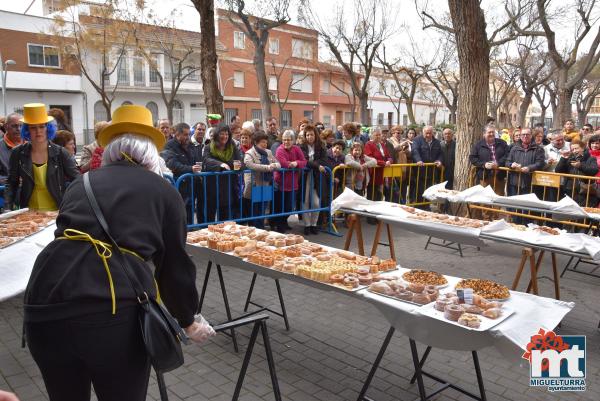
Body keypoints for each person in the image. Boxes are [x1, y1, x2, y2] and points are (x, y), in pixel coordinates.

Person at [23, 104, 212, 401]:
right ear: (151, 151)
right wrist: (188, 319)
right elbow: (173, 266)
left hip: (44, 305)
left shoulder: (81, 183)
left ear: (110, 148)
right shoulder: (163, 191)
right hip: (109, 314)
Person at [5, 104, 80, 211]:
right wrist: (7, 208)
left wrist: (73, 205)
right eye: (33, 128)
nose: (38, 131)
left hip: (58, 211)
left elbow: (78, 181)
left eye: (41, 126)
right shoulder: (17, 153)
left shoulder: (61, 153)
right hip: (28, 213)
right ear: (27, 130)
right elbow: (11, 183)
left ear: (48, 128)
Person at [161, 123, 203, 224]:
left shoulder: (190, 145)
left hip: (191, 184)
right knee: (178, 213)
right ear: (177, 134)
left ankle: (189, 232)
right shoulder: (169, 145)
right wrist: (190, 169)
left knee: (189, 212)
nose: (187, 137)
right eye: (185, 134)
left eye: (188, 134)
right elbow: (172, 164)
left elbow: (197, 160)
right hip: (178, 185)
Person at [203, 124, 243, 222]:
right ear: (217, 135)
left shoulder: (232, 147)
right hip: (213, 186)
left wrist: (238, 166)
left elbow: (240, 161)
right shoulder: (209, 147)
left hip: (228, 186)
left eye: (226, 134)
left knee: (225, 215)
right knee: (210, 214)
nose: (224, 136)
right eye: (222, 134)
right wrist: (220, 164)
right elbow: (206, 160)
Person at [505, 127, 546, 222]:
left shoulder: (538, 149)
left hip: (530, 183)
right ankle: (516, 226)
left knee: (528, 209)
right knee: (516, 208)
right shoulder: (514, 148)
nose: (525, 136)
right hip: (515, 183)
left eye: (527, 134)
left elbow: (540, 163)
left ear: (531, 136)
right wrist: (512, 165)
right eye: (523, 134)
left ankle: (527, 228)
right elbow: (507, 162)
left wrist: (529, 168)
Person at [243, 131, 280, 228]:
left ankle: (261, 230)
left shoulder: (268, 152)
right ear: (256, 142)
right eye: (262, 142)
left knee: (263, 211)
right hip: (254, 186)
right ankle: (255, 231)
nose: (265, 144)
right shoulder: (250, 153)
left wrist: (274, 165)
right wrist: (267, 167)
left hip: (266, 184)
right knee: (255, 212)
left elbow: (278, 164)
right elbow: (250, 165)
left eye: (266, 142)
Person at [274, 131, 307, 233]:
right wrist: (291, 164)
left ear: (293, 140)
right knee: (281, 206)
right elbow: (282, 163)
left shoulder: (296, 148)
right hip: (281, 183)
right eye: (284, 140)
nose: (286, 142)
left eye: (288, 140)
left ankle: (284, 222)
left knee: (289, 207)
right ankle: (280, 225)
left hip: (293, 183)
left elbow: (304, 161)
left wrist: (296, 163)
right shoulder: (279, 150)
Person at [300, 124, 328, 235]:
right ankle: (307, 225)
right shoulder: (301, 147)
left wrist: (313, 165)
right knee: (305, 201)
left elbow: (324, 160)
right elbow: (304, 160)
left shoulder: (321, 146)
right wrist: (316, 165)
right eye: (307, 135)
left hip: (317, 177)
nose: (309, 137)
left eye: (311, 134)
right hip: (305, 176)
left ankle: (314, 224)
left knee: (316, 202)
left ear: (315, 135)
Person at [555, 138, 598, 206]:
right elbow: (558, 171)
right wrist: (563, 158)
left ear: (583, 148)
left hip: (586, 192)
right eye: (572, 149)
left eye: (576, 148)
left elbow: (594, 170)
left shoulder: (590, 158)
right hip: (570, 191)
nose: (574, 151)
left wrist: (580, 166)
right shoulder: (570, 159)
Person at [469, 125, 509, 195]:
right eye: (489, 132)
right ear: (484, 134)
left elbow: (507, 155)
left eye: (493, 132)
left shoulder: (502, 143)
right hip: (485, 177)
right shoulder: (478, 145)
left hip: (499, 176)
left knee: (498, 199)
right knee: (485, 200)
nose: (491, 134)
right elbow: (472, 158)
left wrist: (498, 163)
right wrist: (484, 164)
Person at [410, 125, 442, 205]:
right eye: (426, 133)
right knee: (419, 190)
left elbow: (440, 153)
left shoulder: (437, 142)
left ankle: (426, 206)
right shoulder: (417, 140)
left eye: (430, 133)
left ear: (432, 133)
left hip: (431, 171)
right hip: (420, 171)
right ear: (423, 133)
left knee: (429, 190)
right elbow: (415, 151)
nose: (428, 135)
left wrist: (439, 160)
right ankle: (418, 206)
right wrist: (418, 160)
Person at [364, 127, 392, 213]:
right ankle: (370, 216)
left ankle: (377, 213)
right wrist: (383, 163)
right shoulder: (369, 144)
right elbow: (370, 157)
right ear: (372, 135)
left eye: (379, 135)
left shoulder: (382, 145)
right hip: (373, 173)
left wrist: (389, 161)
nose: (378, 137)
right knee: (372, 195)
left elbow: (388, 155)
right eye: (376, 135)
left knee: (379, 195)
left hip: (382, 174)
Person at [0, 113, 23, 184]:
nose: (18, 129)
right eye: (14, 126)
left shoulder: (32, 145)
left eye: (21, 126)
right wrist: (12, 179)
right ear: (5, 127)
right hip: (7, 192)